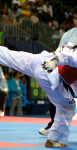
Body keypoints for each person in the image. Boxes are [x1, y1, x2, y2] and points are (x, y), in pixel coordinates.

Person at [0, 41, 76, 147]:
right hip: (48, 71)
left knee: (7, 55)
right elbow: (66, 57)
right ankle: (54, 140)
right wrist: (55, 61)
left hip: (37, 60)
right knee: (68, 106)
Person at [39, 7, 77, 136]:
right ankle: (53, 125)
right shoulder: (68, 35)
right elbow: (59, 52)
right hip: (68, 71)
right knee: (56, 94)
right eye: (75, 18)